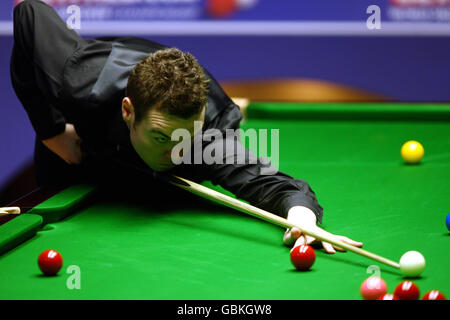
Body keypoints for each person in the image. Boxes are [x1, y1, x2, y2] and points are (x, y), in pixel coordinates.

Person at [10, 0, 363, 253]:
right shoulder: (81, 81)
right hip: (78, 150)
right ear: (129, 111)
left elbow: (273, 184)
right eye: (162, 136)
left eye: (184, 139)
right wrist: (51, 130)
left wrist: (302, 218)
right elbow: (29, 12)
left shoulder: (209, 137)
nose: (173, 152)